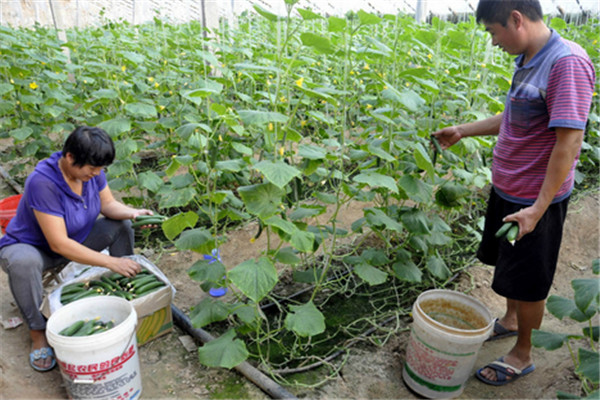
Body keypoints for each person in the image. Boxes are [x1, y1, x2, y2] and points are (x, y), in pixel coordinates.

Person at [432, 0, 595, 387]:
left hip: (534, 199)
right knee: (509, 267)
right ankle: (508, 320)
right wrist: (464, 130)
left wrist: (537, 209)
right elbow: (517, 116)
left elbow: (569, 142)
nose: (492, 42)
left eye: (493, 31)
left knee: (529, 281)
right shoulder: (530, 59)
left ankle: (522, 353)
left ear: (516, 20)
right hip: (510, 188)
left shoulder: (565, 63)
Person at [0, 126, 155, 372]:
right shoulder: (43, 182)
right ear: (69, 157)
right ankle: (38, 331)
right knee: (23, 262)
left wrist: (133, 212)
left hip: (76, 239)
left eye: (100, 169)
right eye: (92, 169)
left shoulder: (92, 171)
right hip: (35, 248)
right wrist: (111, 262)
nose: (96, 173)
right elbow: (58, 243)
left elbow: (109, 205)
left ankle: (127, 295)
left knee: (121, 224)